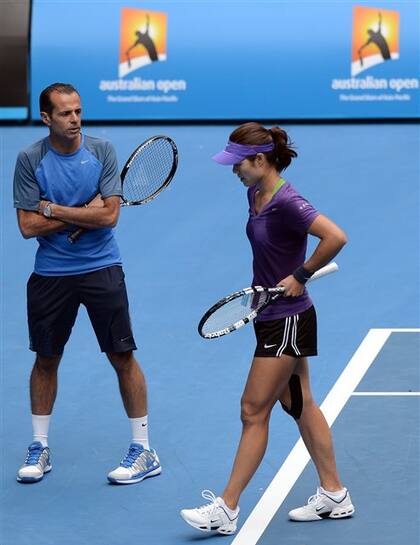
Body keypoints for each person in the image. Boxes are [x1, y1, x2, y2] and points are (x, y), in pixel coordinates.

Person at [180, 122, 354, 535]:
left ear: (260, 160)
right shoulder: (254, 193)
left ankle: (227, 508)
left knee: (252, 410)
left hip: (289, 319)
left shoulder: (288, 201)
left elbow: (335, 236)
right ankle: (335, 493)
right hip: (269, 315)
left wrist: (302, 274)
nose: (233, 170)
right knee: (299, 405)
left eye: (238, 164)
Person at [13, 82, 161, 485]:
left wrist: (54, 210)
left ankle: (144, 449)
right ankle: (40, 446)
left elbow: (110, 217)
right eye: (65, 113)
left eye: (78, 111)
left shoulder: (102, 152)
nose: (75, 119)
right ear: (46, 118)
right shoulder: (30, 160)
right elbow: (28, 226)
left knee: (121, 356)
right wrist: (83, 212)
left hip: (102, 270)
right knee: (46, 359)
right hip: (50, 275)